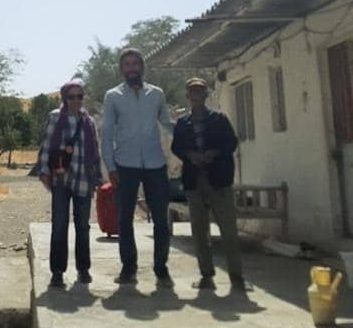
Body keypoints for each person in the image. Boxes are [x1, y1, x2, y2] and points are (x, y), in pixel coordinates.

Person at [100, 48, 175, 287]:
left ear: (142, 67)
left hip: (155, 164)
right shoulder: (113, 96)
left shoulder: (156, 94)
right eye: (127, 64)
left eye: (135, 64)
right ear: (122, 69)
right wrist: (111, 167)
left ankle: (161, 267)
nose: (132, 68)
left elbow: (167, 124)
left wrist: (194, 129)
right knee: (124, 220)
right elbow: (107, 134)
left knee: (161, 219)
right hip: (125, 165)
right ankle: (128, 268)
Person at [170, 77, 250, 291]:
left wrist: (213, 153)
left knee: (228, 229)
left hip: (218, 180)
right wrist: (190, 155)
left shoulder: (219, 119)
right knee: (198, 229)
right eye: (192, 92)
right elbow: (176, 146)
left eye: (200, 92)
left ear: (205, 95)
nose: (196, 95)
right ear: (188, 96)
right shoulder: (182, 123)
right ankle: (206, 274)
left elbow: (231, 143)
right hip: (194, 181)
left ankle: (237, 277)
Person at [37, 78, 102, 288]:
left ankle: (83, 269)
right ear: (64, 98)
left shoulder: (88, 121)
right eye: (71, 97)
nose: (76, 100)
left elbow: (95, 151)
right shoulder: (55, 118)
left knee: (83, 226)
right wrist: (44, 171)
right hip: (61, 179)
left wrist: (97, 178)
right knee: (59, 225)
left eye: (79, 96)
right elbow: (47, 145)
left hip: (83, 179)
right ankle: (57, 272)